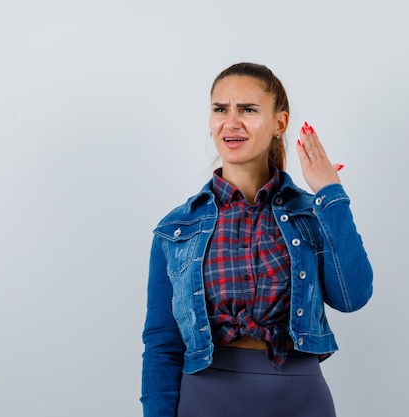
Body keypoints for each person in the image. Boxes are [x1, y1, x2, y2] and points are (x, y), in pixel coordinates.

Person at [141, 62, 373, 417]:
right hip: (205, 399)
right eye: (221, 109)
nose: (231, 122)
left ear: (280, 123)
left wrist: (330, 194)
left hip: (300, 398)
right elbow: (162, 344)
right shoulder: (176, 229)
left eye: (247, 110)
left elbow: (352, 297)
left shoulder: (313, 214)